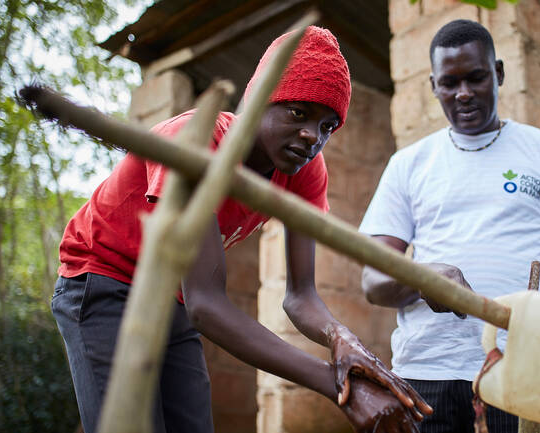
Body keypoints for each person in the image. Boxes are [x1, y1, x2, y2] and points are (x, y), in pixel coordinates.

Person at [52, 26, 429, 433]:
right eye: (299, 113)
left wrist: (343, 340)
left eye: (327, 127)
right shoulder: (196, 140)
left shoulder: (304, 170)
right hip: (101, 279)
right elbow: (207, 305)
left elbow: (300, 297)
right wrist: (342, 387)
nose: (311, 137)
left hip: (170, 295)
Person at [359, 19, 540, 433]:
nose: (463, 93)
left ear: (498, 72)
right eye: (449, 82)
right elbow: (373, 281)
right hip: (427, 374)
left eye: (476, 78)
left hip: (527, 370)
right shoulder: (408, 165)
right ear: (432, 85)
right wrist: (425, 279)